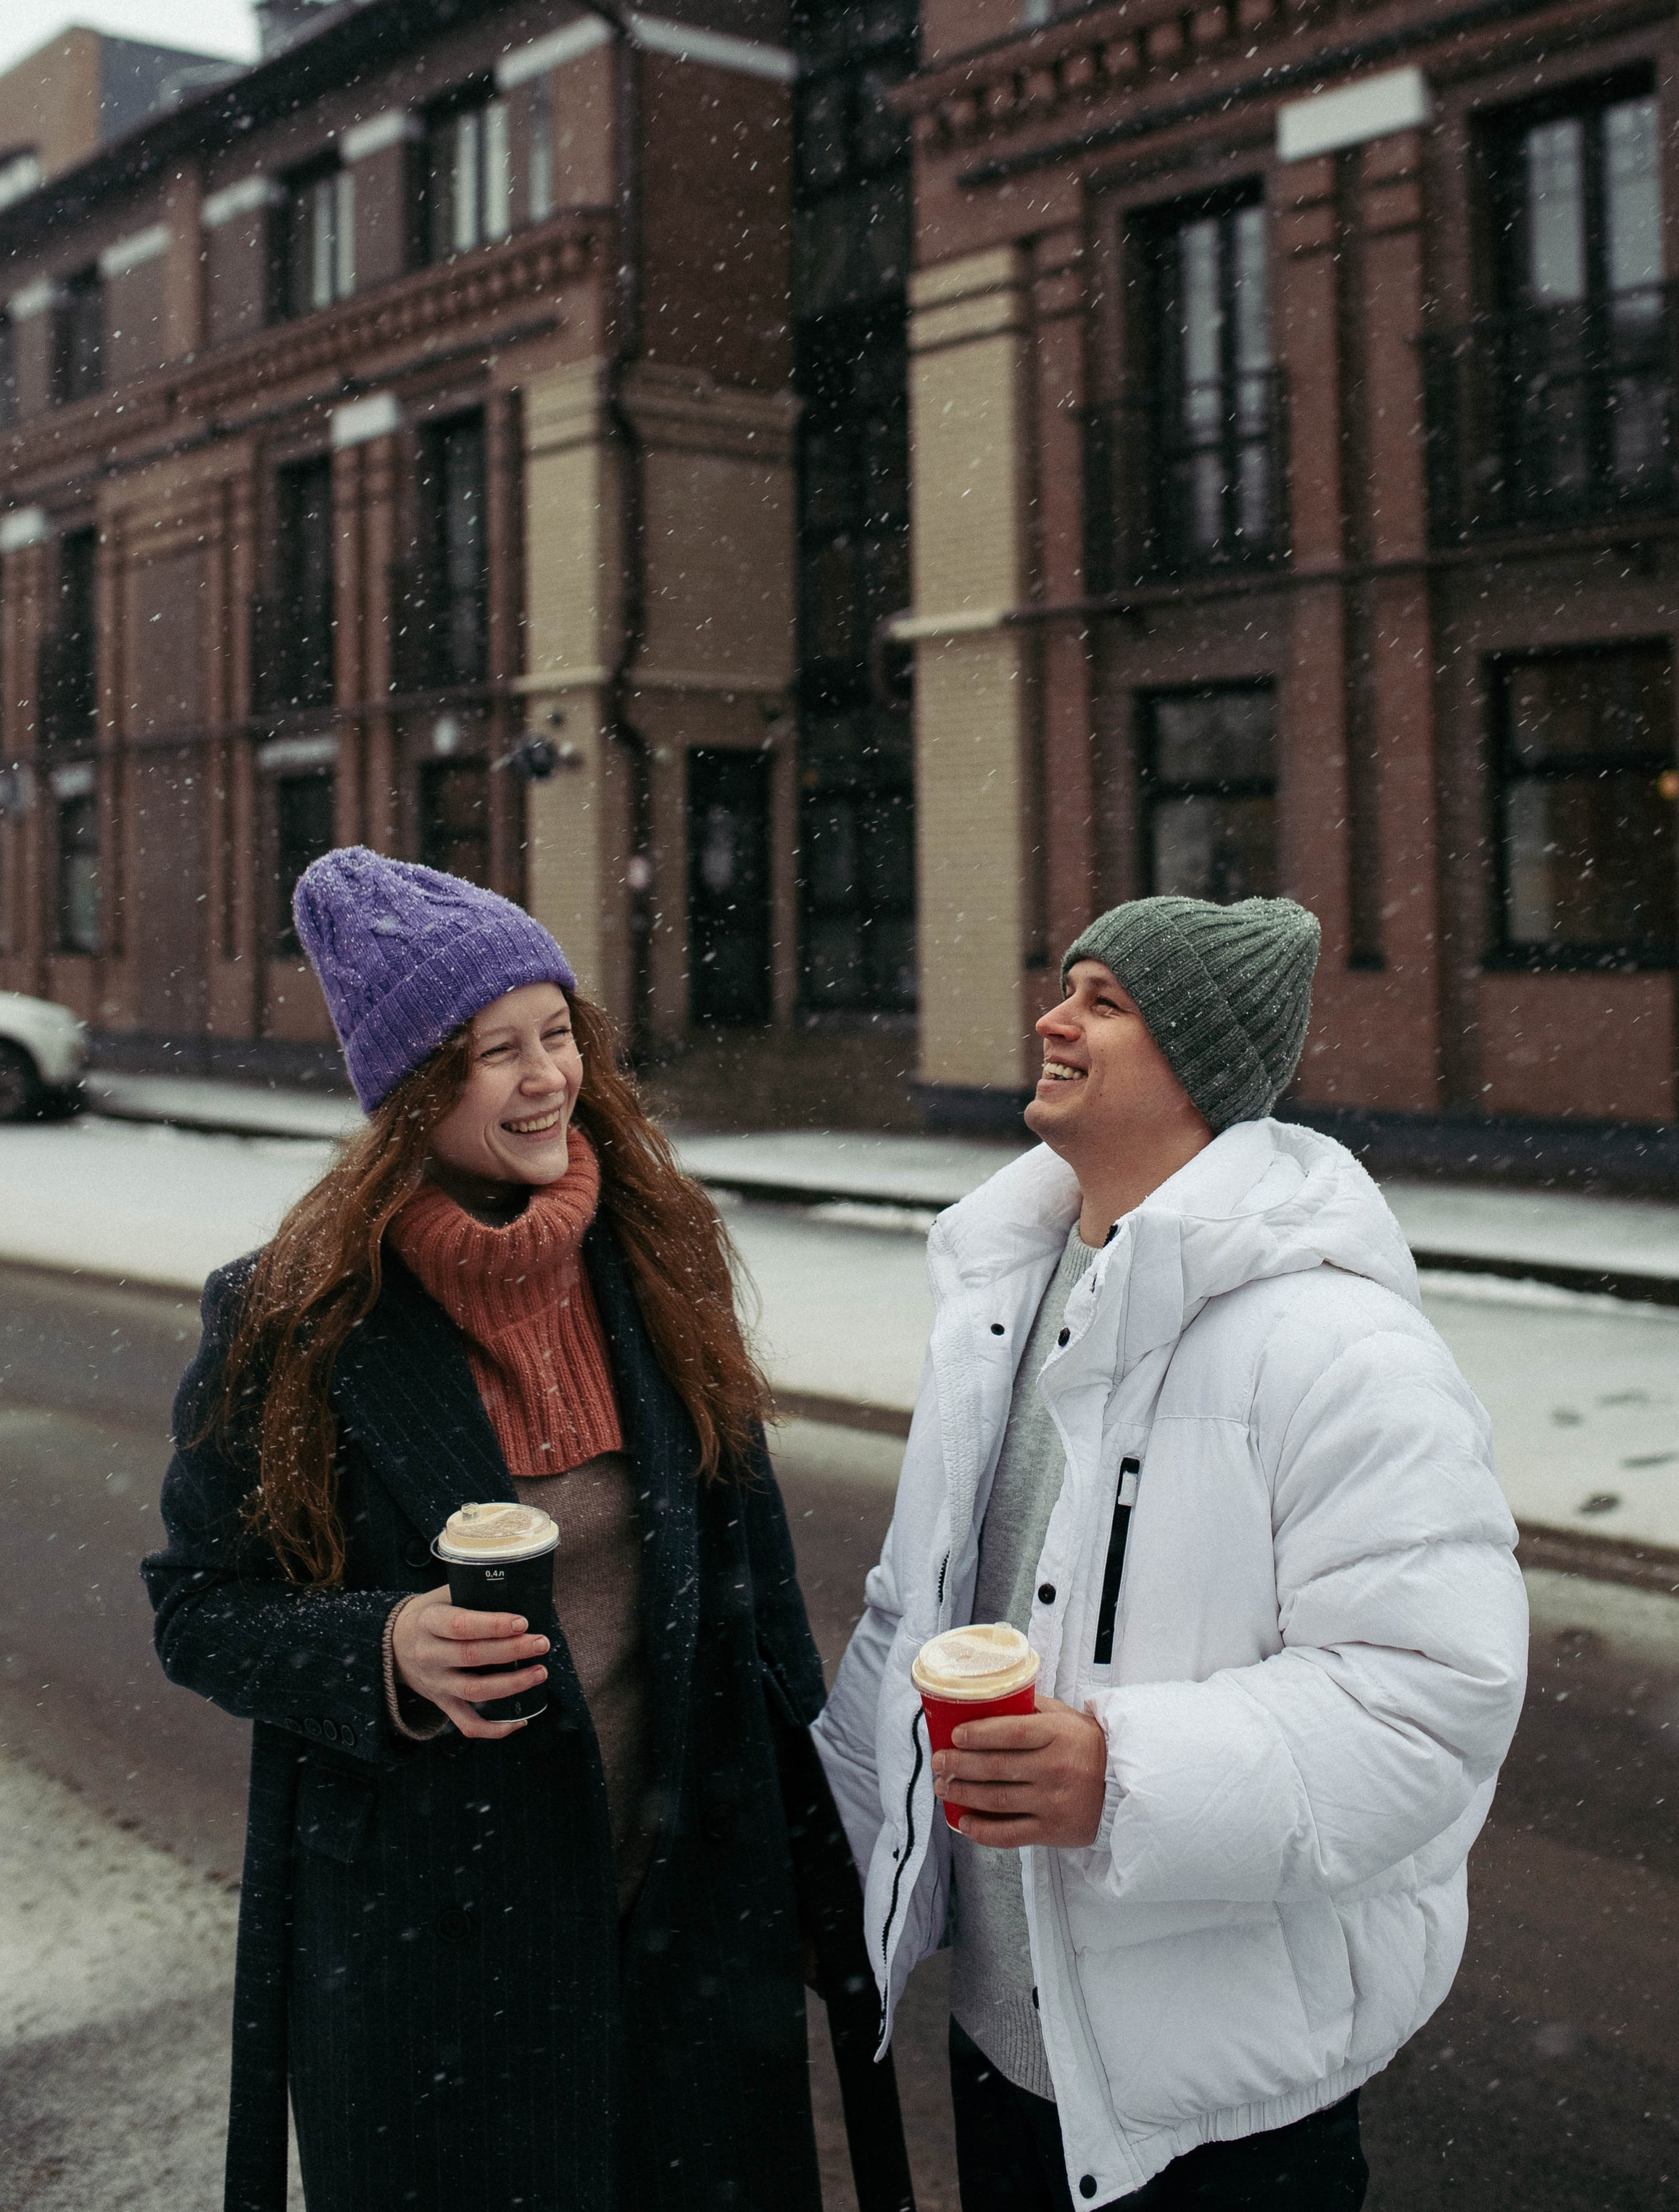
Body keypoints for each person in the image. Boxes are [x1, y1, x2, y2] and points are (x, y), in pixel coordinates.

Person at [145, 848, 887, 2212]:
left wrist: (814, 1860)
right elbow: (198, 1607)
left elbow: (758, 1595)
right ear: (415, 1092)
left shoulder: (661, 1256)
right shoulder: (295, 1320)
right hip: (433, 1947)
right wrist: (383, 1649)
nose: (548, 1078)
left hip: (684, 1915)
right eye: (497, 1053)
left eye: (559, 1036)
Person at [816, 894, 1530, 2211]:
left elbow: (1431, 1704)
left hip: (1221, 2112)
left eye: (1104, 1000)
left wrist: (1122, 1775)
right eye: (1065, 986)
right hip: (1006, 2061)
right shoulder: (1001, 1306)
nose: (1054, 1017)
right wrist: (833, 1841)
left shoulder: (1339, 1346)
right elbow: (906, 1615)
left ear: (1196, 1064)